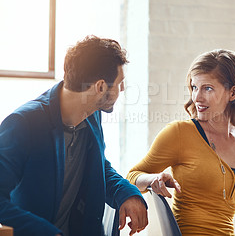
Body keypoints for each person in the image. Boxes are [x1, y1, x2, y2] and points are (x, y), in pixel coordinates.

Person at [126, 49, 235, 235]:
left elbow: (234, 194)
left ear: (233, 93)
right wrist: (152, 179)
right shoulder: (179, 133)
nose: (197, 97)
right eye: (194, 87)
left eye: (207, 88)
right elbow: (131, 177)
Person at [0, 35, 148, 236]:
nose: (122, 89)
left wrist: (127, 193)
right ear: (100, 87)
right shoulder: (23, 124)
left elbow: (98, 166)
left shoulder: (92, 114)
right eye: (120, 83)